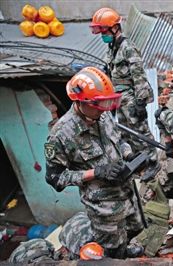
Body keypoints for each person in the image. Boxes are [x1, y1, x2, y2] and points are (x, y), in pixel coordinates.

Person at [44, 67, 144, 258]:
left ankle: (125, 251)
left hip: (127, 192)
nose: (105, 108)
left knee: (133, 230)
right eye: (100, 103)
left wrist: (129, 155)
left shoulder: (102, 114)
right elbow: (55, 179)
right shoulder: (61, 135)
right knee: (111, 248)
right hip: (103, 206)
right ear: (80, 101)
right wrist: (96, 173)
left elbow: (119, 140)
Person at [90, 7, 160, 182]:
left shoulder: (128, 48)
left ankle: (153, 162)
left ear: (114, 28)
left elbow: (139, 76)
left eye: (104, 31)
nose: (103, 35)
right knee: (127, 132)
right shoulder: (111, 48)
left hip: (131, 96)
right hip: (118, 98)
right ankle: (140, 160)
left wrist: (141, 103)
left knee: (141, 130)